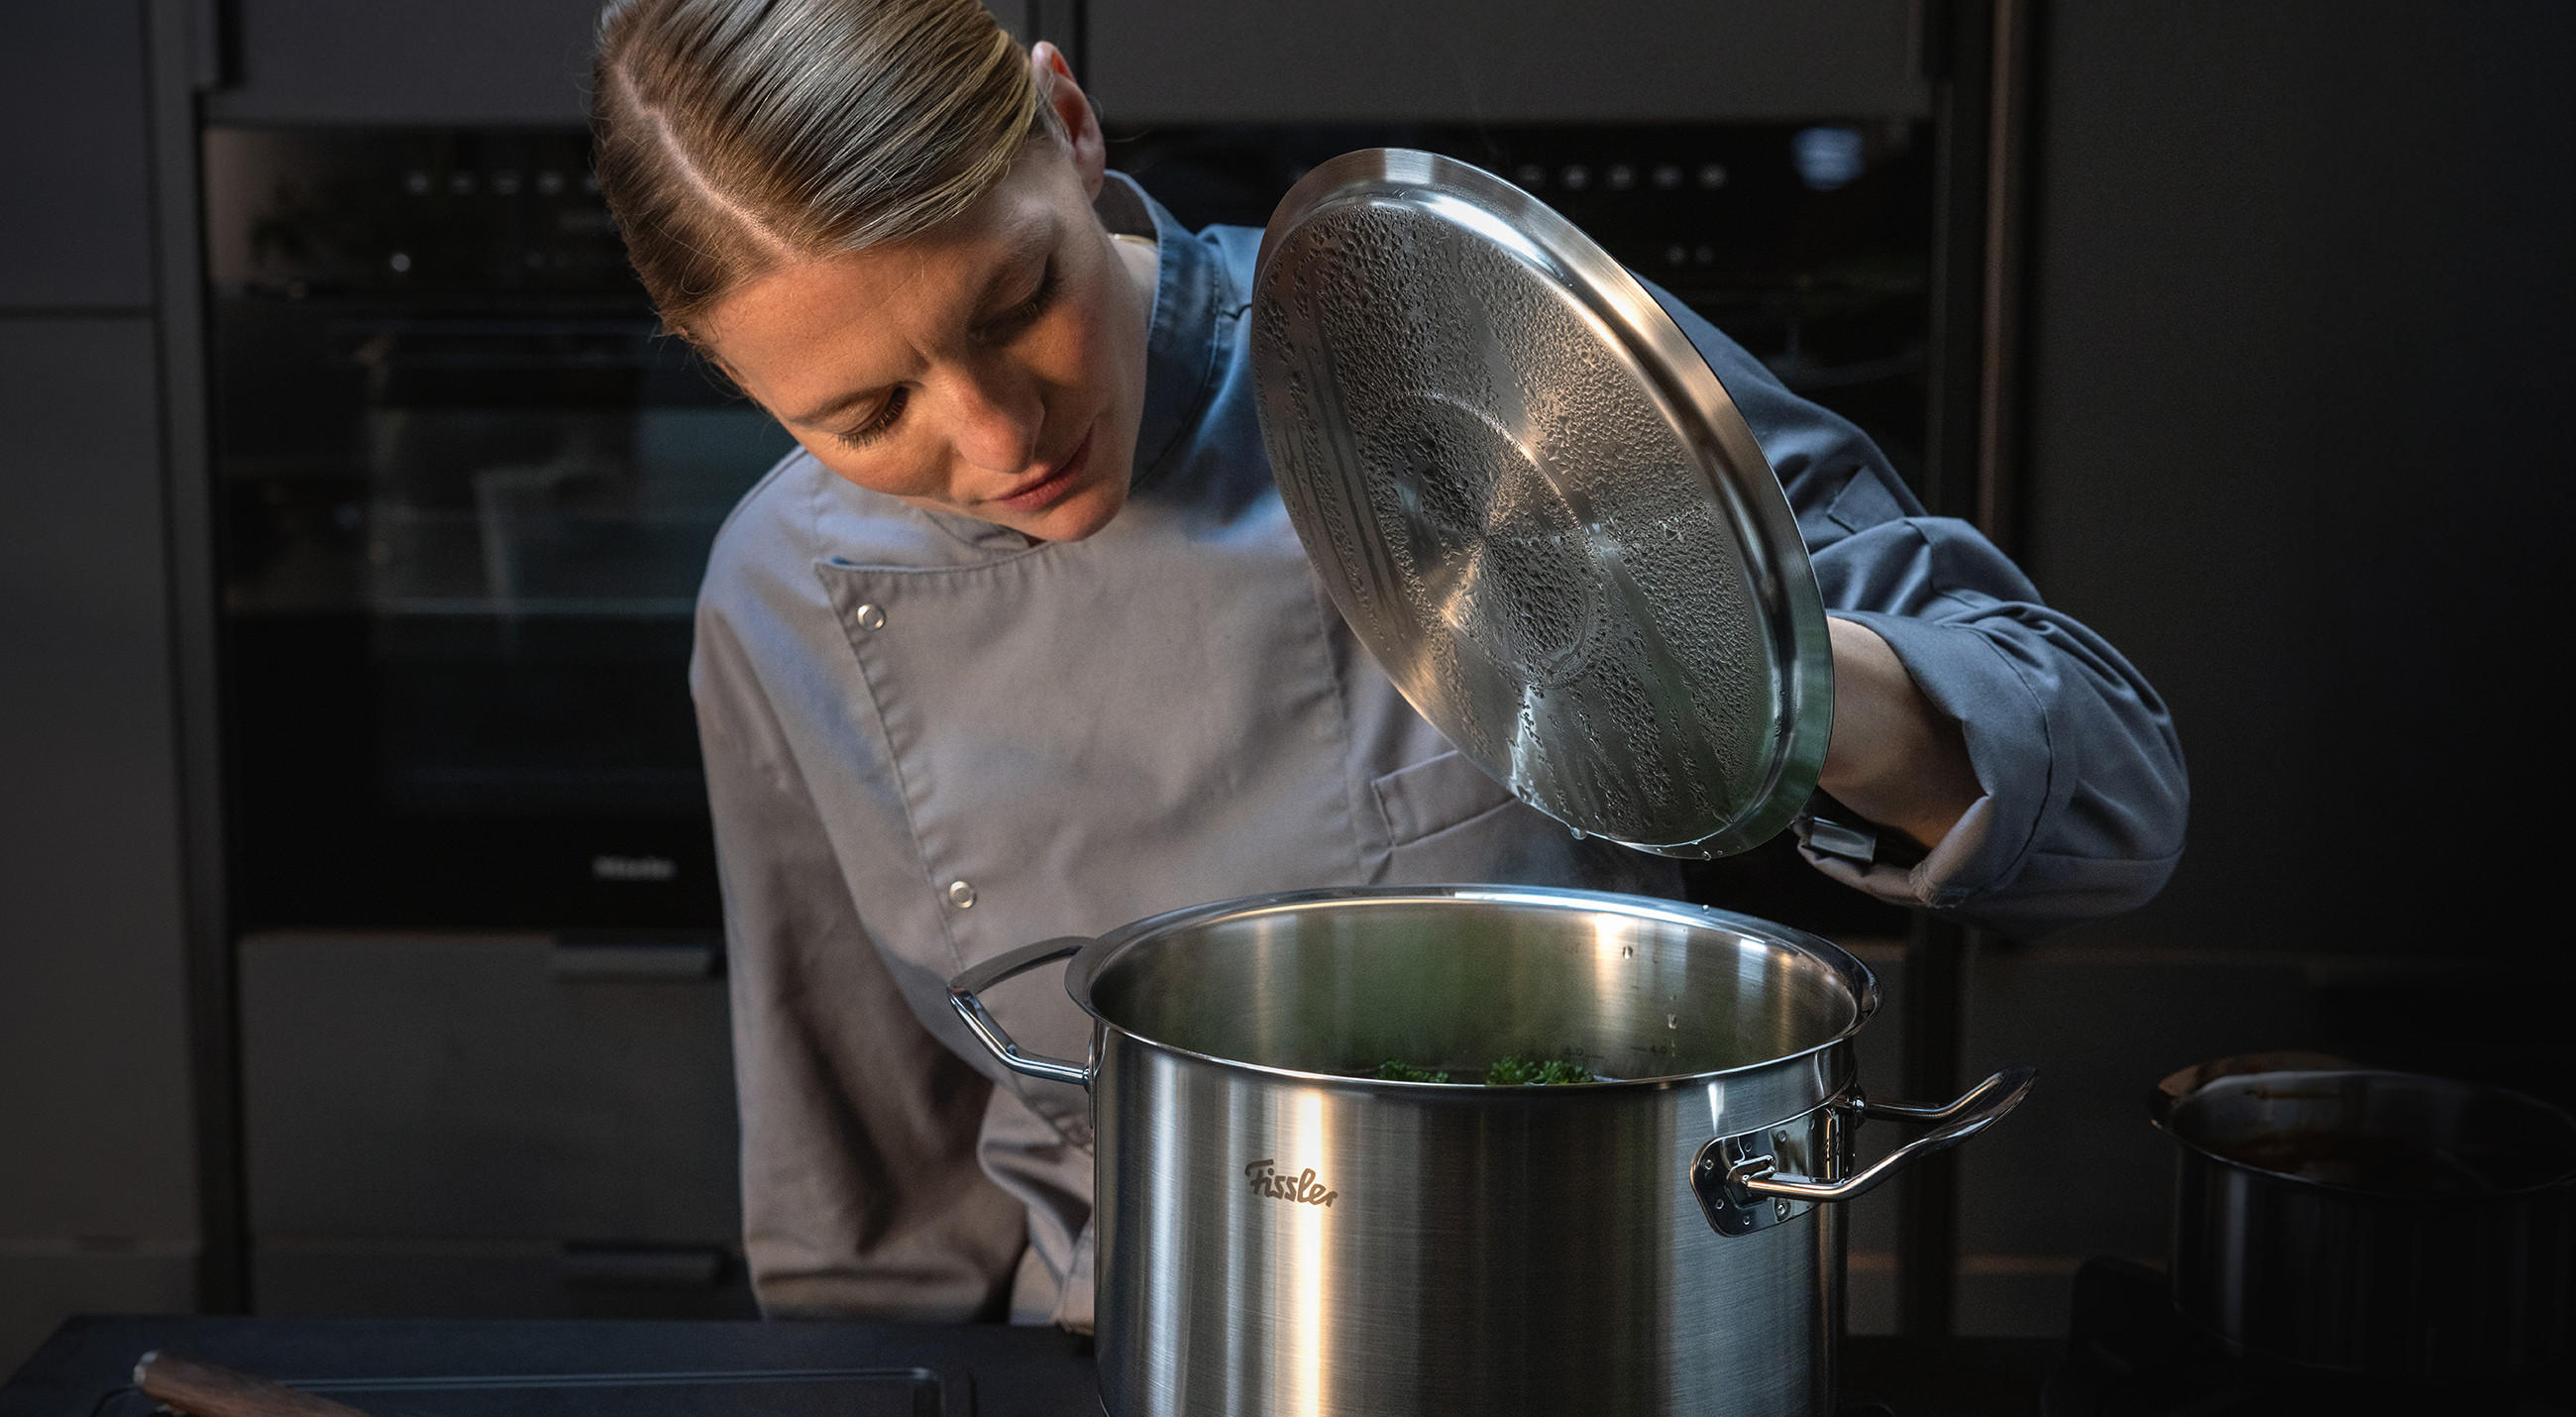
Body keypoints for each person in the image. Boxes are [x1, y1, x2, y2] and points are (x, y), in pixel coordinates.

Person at [590, 0, 2188, 1330]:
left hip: (1603, 1314)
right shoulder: (779, 601)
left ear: (1069, 128)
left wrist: (1728, 651)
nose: (998, 433)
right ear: (739, 383)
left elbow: (2114, 798)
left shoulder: (1452, 366)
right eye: (865, 415)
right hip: (1131, 1347)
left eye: (1021, 299)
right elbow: (865, 1208)